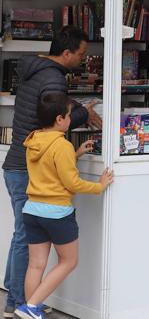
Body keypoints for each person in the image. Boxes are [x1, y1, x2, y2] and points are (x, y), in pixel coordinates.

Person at [3, 26, 101, 318]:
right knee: (25, 240)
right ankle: (19, 303)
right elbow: (54, 115)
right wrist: (85, 112)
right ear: (66, 53)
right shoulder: (53, 78)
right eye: (81, 54)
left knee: (21, 236)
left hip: (17, 163)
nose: (83, 60)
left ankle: (17, 297)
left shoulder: (34, 70)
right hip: (26, 169)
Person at [13, 93, 112, 319]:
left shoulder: (33, 141)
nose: (71, 119)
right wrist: (100, 186)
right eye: (69, 116)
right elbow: (71, 183)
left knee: (36, 265)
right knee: (69, 261)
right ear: (59, 119)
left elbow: (49, 170)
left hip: (32, 209)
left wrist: (75, 154)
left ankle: (31, 308)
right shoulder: (61, 145)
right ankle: (31, 306)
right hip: (56, 213)